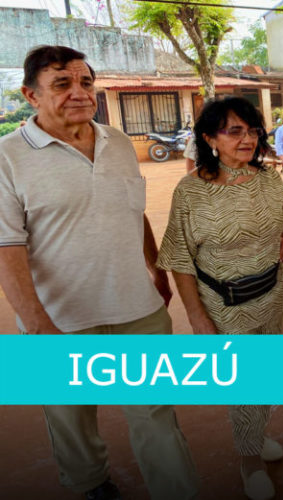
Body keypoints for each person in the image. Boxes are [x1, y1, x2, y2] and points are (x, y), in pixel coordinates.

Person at [0, 45, 199, 500]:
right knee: (71, 414)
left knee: (155, 412)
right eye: (62, 84)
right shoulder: (7, 157)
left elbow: (134, 210)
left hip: (136, 307)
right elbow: (6, 246)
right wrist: (37, 325)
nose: (79, 93)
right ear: (31, 95)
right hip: (60, 319)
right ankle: (90, 483)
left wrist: (156, 266)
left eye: (86, 82)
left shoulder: (118, 142)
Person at [157, 97, 283, 500]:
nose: (247, 139)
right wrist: (197, 318)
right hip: (223, 302)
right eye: (234, 131)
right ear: (209, 138)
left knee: (270, 370)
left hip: (272, 291)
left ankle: (257, 434)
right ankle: (249, 461)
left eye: (252, 131)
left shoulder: (268, 178)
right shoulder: (191, 191)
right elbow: (180, 259)